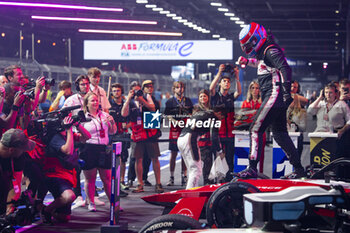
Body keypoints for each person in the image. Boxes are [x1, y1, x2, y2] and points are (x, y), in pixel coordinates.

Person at [237, 22, 305, 178]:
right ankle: (299, 169)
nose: (248, 49)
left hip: (274, 95)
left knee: (255, 129)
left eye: (249, 46)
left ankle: (252, 168)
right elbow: (263, 64)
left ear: (256, 39)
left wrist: (287, 93)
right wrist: (247, 62)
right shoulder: (265, 51)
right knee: (280, 135)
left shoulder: (270, 50)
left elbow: (285, 68)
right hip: (275, 96)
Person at [41, 116, 90, 223]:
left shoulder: (68, 135)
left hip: (67, 175)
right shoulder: (55, 138)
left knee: (64, 217)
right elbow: (67, 151)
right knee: (69, 196)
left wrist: (77, 125)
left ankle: (42, 208)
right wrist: (69, 129)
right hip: (55, 175)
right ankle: (45, 210)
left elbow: (87, 136)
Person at [121, 80, 164, 193]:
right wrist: (129, 98)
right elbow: (124, 114)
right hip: (137, 134)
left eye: (138, 90)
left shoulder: (147, 98)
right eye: (134, 91)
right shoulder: (129, 101)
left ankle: (158, 183)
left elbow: (153, 108)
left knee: (154, 157)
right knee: (137, 159)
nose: (137, 92)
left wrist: (141, 99)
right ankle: (139, 184)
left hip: (150, 133)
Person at [80, 92, 117, 212]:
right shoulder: (82, 118)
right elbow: (80, 136)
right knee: (90, 178)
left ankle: (113, 203)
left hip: (103, 149)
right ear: (86, 103)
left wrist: (112, 123)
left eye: (97, 100)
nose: (95, 103)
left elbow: (112, 132)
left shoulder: (105, 115)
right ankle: (91, 202)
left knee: (107, 178)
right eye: (92, 101)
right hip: (89, 149)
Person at [177, 105, 225, 189]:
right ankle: (189, 196)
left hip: (181, 138)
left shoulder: (202, 113)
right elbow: (214, 137)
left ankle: (190, 190)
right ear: (219, 113)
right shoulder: (213, 117)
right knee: (196, 170)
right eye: (221, 117)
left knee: (192, 169)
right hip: (189, 139)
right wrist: (220, 151)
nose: (221, 120)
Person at [209, 63, 241, 181]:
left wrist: (237, 77)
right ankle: (218, 181)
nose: (227, 83)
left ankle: (228, 181)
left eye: (228, 81)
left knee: (229, 160)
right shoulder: (215, 96)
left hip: (230, 134)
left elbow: (239, 92)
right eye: (224, 81)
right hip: (218, 134)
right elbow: (211, 88)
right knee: (218, 159)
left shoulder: (231, 97)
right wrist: (219, 73)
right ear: (220, 83)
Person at [164, 81, 193, 186]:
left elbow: (192, 113)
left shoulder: (188, 101)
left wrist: (188, 118)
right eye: (177, 87)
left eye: (181, 87)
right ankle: (171, 177)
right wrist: (175, 121)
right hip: (174, 130)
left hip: (185, 129)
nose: (180, 89)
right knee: (173, 153)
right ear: (173, 89)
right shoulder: (170, 102)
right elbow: (167, 115)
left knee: (184, 154)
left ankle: (184, 176)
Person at [0, 129, 36, 215]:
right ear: (12, 150)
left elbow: (15, 185)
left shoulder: (17, 158)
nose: (24, 152)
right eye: (22, 149)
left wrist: (10, 204)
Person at [108, 83, 131, 192]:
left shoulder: (126, 103)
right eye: (114, 90)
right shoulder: (108, 104)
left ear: (121, 92)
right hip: (111, 135)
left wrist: (127, 125)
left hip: (123, 135)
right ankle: (109, 181)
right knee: (109, 159)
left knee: (123, 159)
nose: (116, 92)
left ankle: (121, 181)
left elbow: (133, 119)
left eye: (118, 90)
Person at [240, 81, 266, 173]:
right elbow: (241, 119)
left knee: (260, 156)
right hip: (247, 133)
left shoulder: (263, 103)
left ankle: (260, 174)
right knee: (249, 153)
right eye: (253, 88)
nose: (255, 90)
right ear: (250, 90)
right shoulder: (245, 103)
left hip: (260, 133)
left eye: (257, 88)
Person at [195, 89, 215, 185]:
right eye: (201, 96)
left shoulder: (212, 109)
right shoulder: (196, 109)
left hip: (213, 139)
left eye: (205, 96)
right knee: (205, 162)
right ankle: (206, 182)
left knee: (213, 161)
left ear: (208, 97)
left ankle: (214, 181)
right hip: (202, 141)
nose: (203, 98)